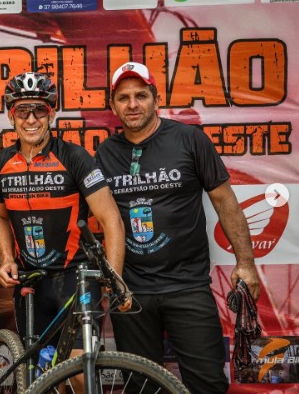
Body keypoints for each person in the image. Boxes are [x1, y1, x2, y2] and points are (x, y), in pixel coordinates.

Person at [95, 61, 261, 394]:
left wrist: (245, 262)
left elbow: (225, 202)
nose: (132, 104)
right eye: (123, 98)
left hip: (187, 285)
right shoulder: (105, 154)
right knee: (142, 387)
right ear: (112, 105)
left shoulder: (190, 139)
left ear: (156, 99)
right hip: (131, 291)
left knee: (208, 383)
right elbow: (96, 216)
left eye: (141, 95)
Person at [0, 72, 126, 370]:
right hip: (31, 282)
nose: (31, 119)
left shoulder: (75, 157)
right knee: (43, 376)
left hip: (76, 279)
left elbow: (111, 219)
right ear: (11, 116)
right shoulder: (1, 163)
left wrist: (113, 278)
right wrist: (7, 259)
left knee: (78, 371)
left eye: (39, 110)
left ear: (51, 114)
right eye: (22, 111)